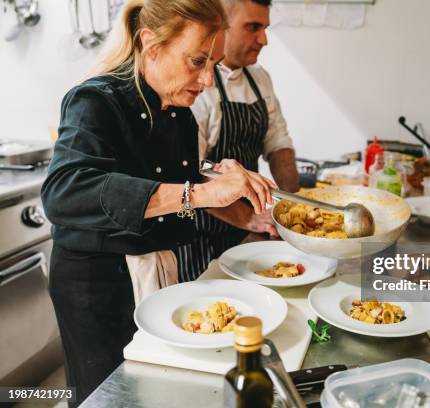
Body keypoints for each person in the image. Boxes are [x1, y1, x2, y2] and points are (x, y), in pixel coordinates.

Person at [41, 0, 275, 405]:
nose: (206, 80)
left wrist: (216, 178)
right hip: (99, 285)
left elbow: (168, 181)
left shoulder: (177, 112)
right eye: (197, 61)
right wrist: (199, 192)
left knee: (152, 391)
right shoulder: (95, 100)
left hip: (156, 268)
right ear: (151, 44)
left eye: (212, 65)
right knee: (108, 396)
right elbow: (65, 190)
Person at [177, 0, 299, 280]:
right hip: (202, 232)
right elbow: (192, 172)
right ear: (221, 27)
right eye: (253, 27)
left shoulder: (260, 78)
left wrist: (290, 207)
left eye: (265, 28)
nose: (264, 40)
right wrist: (250, 218)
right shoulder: (196, 87)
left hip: (249, 232)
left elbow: (278, 143)